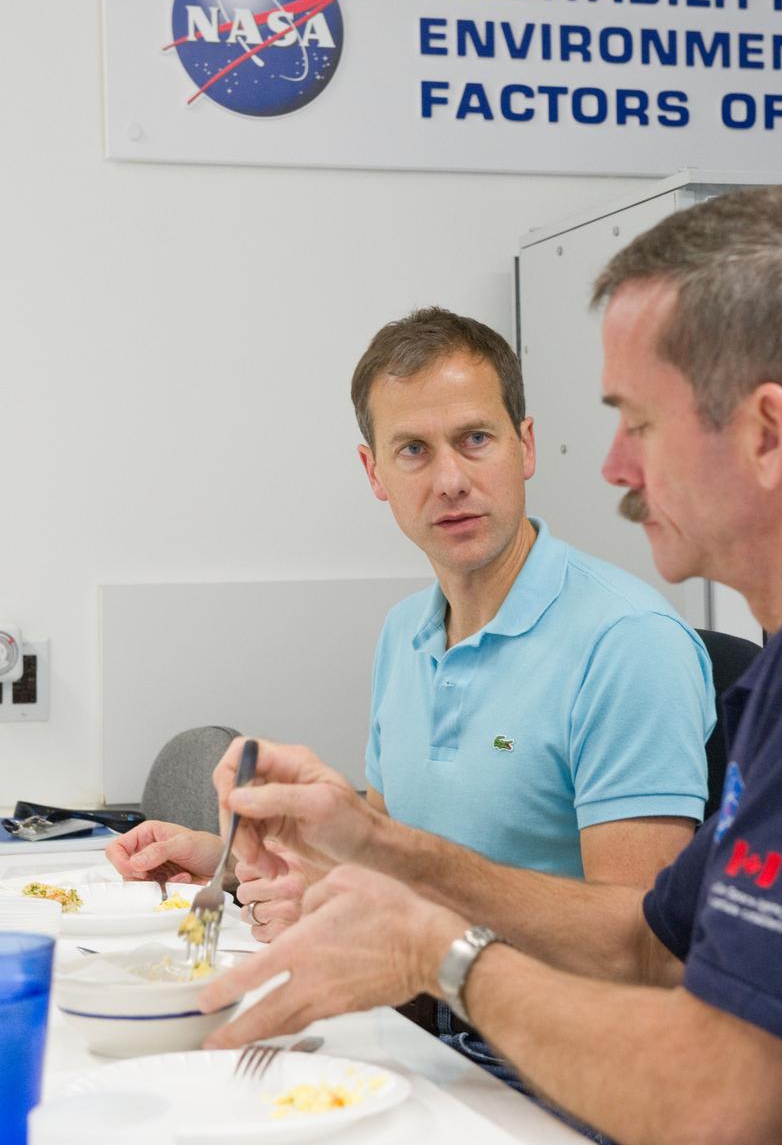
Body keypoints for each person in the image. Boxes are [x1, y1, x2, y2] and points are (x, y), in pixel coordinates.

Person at [196, 187, 782, 1144]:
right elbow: (650, 943)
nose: (615, 467)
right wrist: (370, 846)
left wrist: (436, 951)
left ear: (763, 433)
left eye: (640, 422)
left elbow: (716, 1102)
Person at [109, 311, 714, 945]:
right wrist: (233, 864)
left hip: (520, 1037)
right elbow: (383, 858)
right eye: (414, 451)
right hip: (414, 1003)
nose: (450, 481)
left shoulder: (629, 643)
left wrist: (386, 922)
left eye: (476, 438)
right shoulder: (406, 631)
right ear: (375, 473)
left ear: (526, 446)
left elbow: (637, 946)